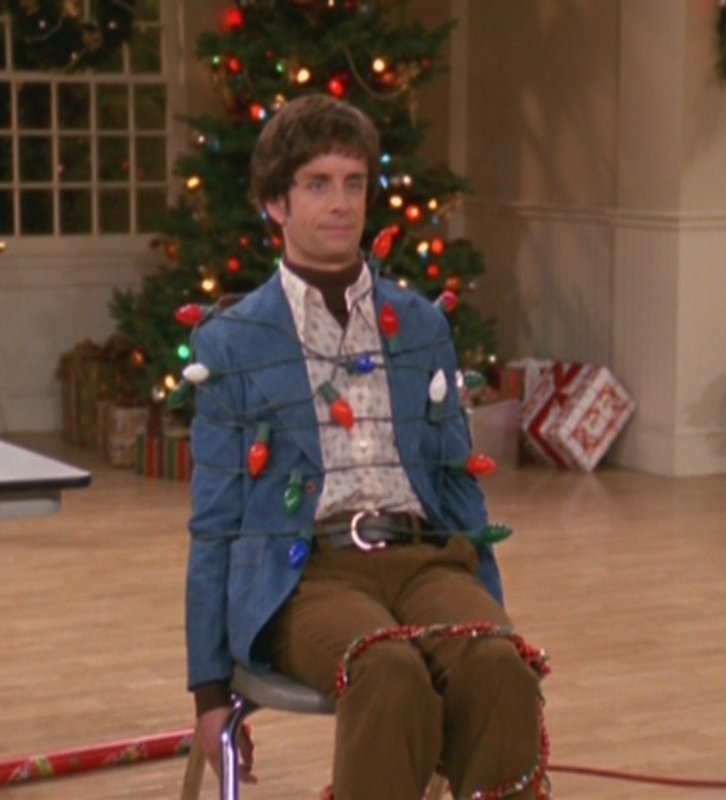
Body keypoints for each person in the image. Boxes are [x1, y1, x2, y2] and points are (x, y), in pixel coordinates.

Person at [185, 93, 543, 799]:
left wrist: (487, 602)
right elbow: (214, 524)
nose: (340, 204)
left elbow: (459, 488)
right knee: (388, 672)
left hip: (424, 557)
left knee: (500, 667)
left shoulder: (420, 326)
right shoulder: (232, 342)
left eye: (353, 184)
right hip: (307, 574)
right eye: (318, 185)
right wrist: (208, 690)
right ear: (277, 204)